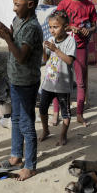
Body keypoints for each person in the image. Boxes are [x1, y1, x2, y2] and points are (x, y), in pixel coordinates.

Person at [0, 0, 43, 182]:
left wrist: (7, 39)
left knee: (26, 122)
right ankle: (16, 156)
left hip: (26, 82)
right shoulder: (19, 19)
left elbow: (22, 57)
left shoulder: (32, 27)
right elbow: (16, 41)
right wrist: (9, 33)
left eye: (17, 4)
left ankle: (30, 166)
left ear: (30, 5)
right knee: (15, 118)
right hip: (15, 79)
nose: (13, 8)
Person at [52, 0, 97, 127]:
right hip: (64, 48)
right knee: (59, 80)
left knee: (80, 82)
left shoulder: (89, 6)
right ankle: (56, 113)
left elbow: (94, 26)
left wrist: (88, 30)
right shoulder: (64, 4)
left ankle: (79, 113)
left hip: (81, 48)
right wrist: (69, 28)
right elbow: (55, 25)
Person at [38, 11, 77, 146]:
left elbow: (69, 61)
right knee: (42, 108)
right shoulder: (51, 40)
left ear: (65, 26)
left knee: (65, 112)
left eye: (55, 27)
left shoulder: (70, 41)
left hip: (63, 85)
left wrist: (55, 49)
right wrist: (44, 49)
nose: (52, 30)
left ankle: (63, 135)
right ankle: (46, 130)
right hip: (49, 83)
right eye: (50, 27)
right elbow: (45, 59)